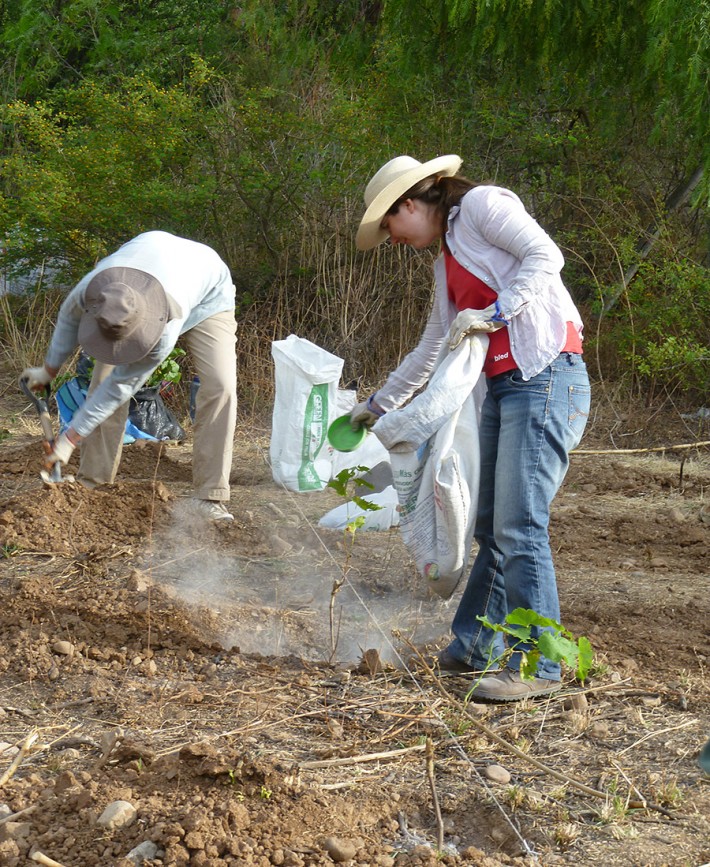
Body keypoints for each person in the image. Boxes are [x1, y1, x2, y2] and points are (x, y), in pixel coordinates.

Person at [351, 155, 591, 701]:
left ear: (409, 203)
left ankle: (539, 666)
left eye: (389, 225)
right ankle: (471, 648)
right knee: (489, 526)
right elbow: (435, 343)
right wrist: (378, 403)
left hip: (548, 375)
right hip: (503, 390)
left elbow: (545, 255)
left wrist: (498, 313)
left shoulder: (483, 206)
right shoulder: (445, 261)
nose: (391, 239)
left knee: (520, 524)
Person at [20, 230, 238, 521]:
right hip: (142, 268)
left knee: (220, 386)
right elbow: (67, 319)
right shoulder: (92, 289)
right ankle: (93, 486)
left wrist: (69, 439)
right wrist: (47, 370)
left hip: (207, 292)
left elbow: (120, 389)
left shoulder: (164, 332)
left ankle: (210, 496)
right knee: (100, 379)